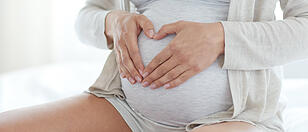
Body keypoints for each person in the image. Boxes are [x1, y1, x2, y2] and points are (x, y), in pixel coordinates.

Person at [1, 0, 308, 132]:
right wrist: (112, 22)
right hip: (125, 108)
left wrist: (221, 38)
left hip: (236, 116)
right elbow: (88, 16)